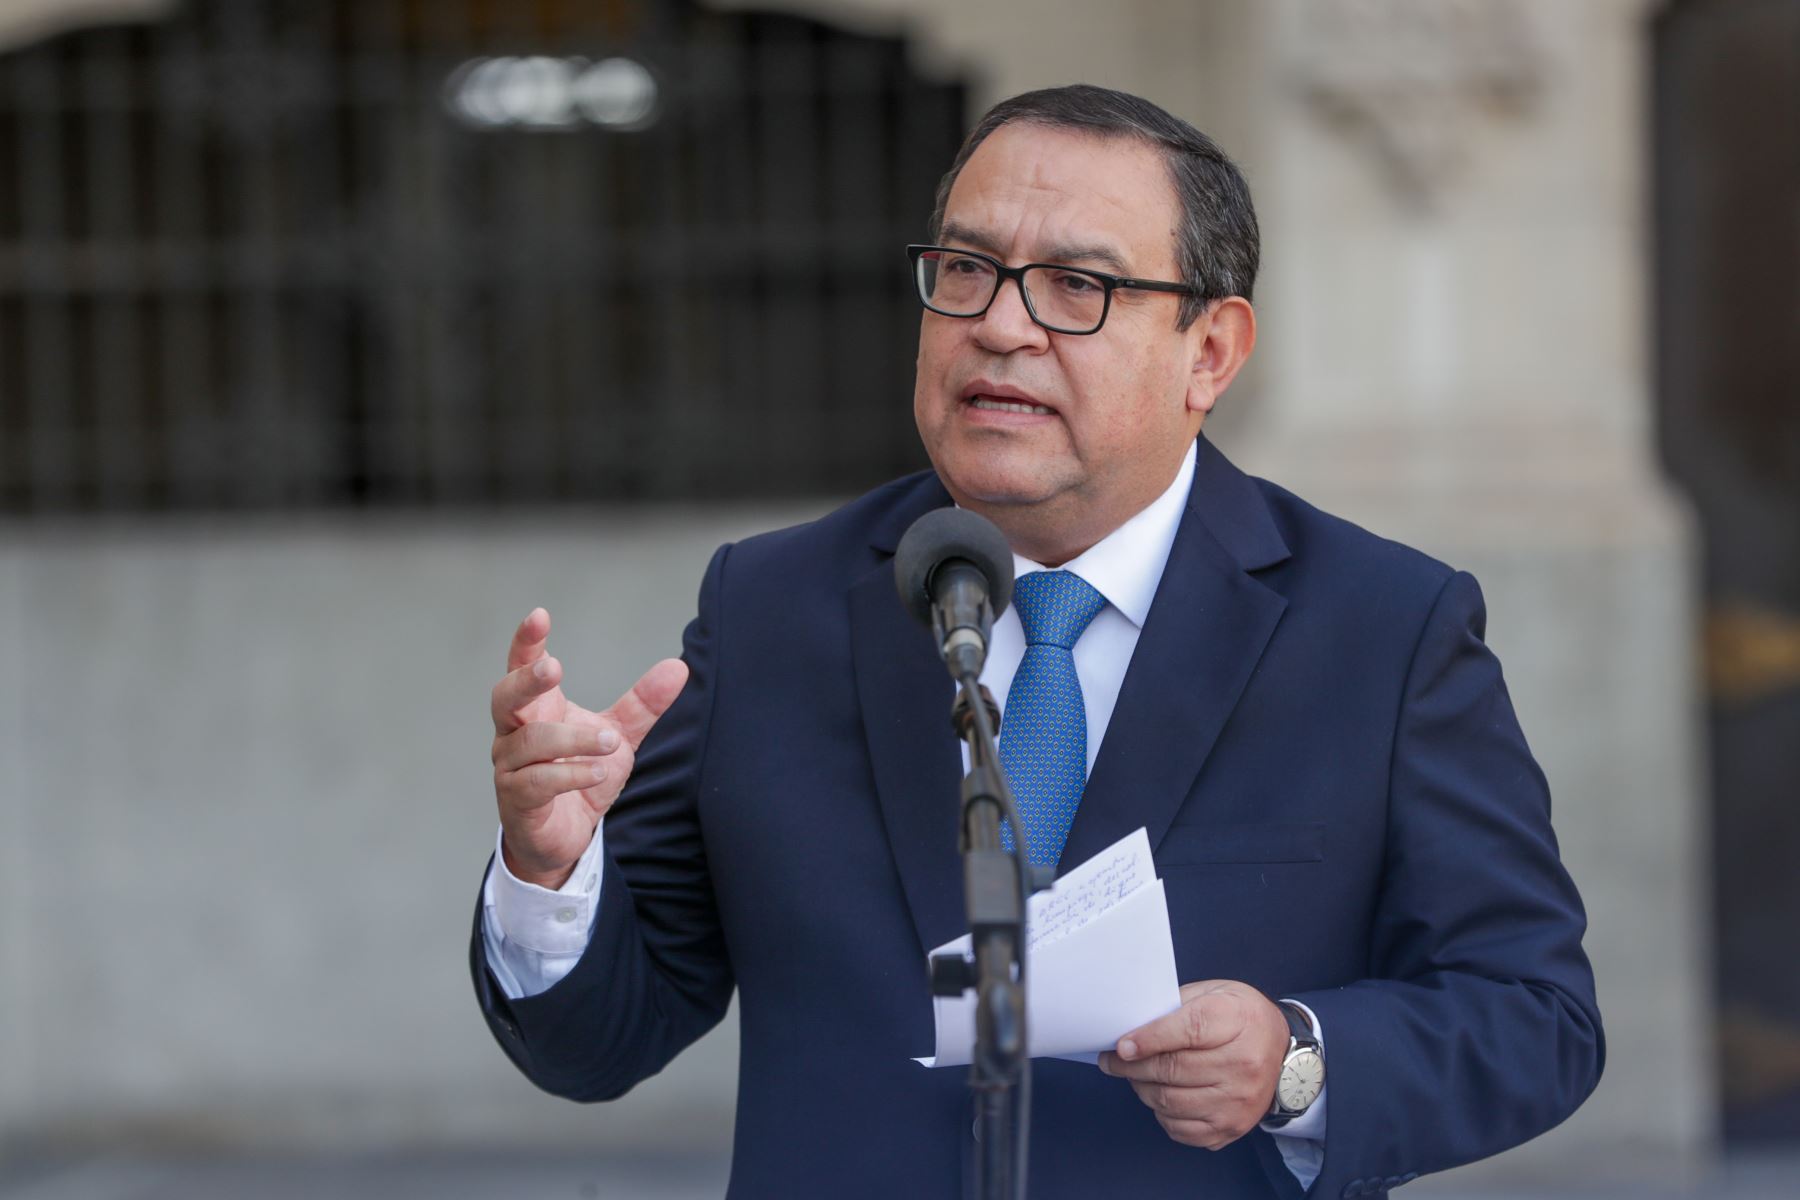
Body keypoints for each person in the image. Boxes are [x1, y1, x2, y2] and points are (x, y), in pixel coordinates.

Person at [472, 84, 1602, 1199]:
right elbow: (599, 1043)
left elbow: (1535, 1015)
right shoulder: (774, 607)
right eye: (967, 268)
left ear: (1210, 352)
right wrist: (552, 869)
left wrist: (1295, 1059)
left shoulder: (1381, 630)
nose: (1001, 326)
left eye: (1078, 286)